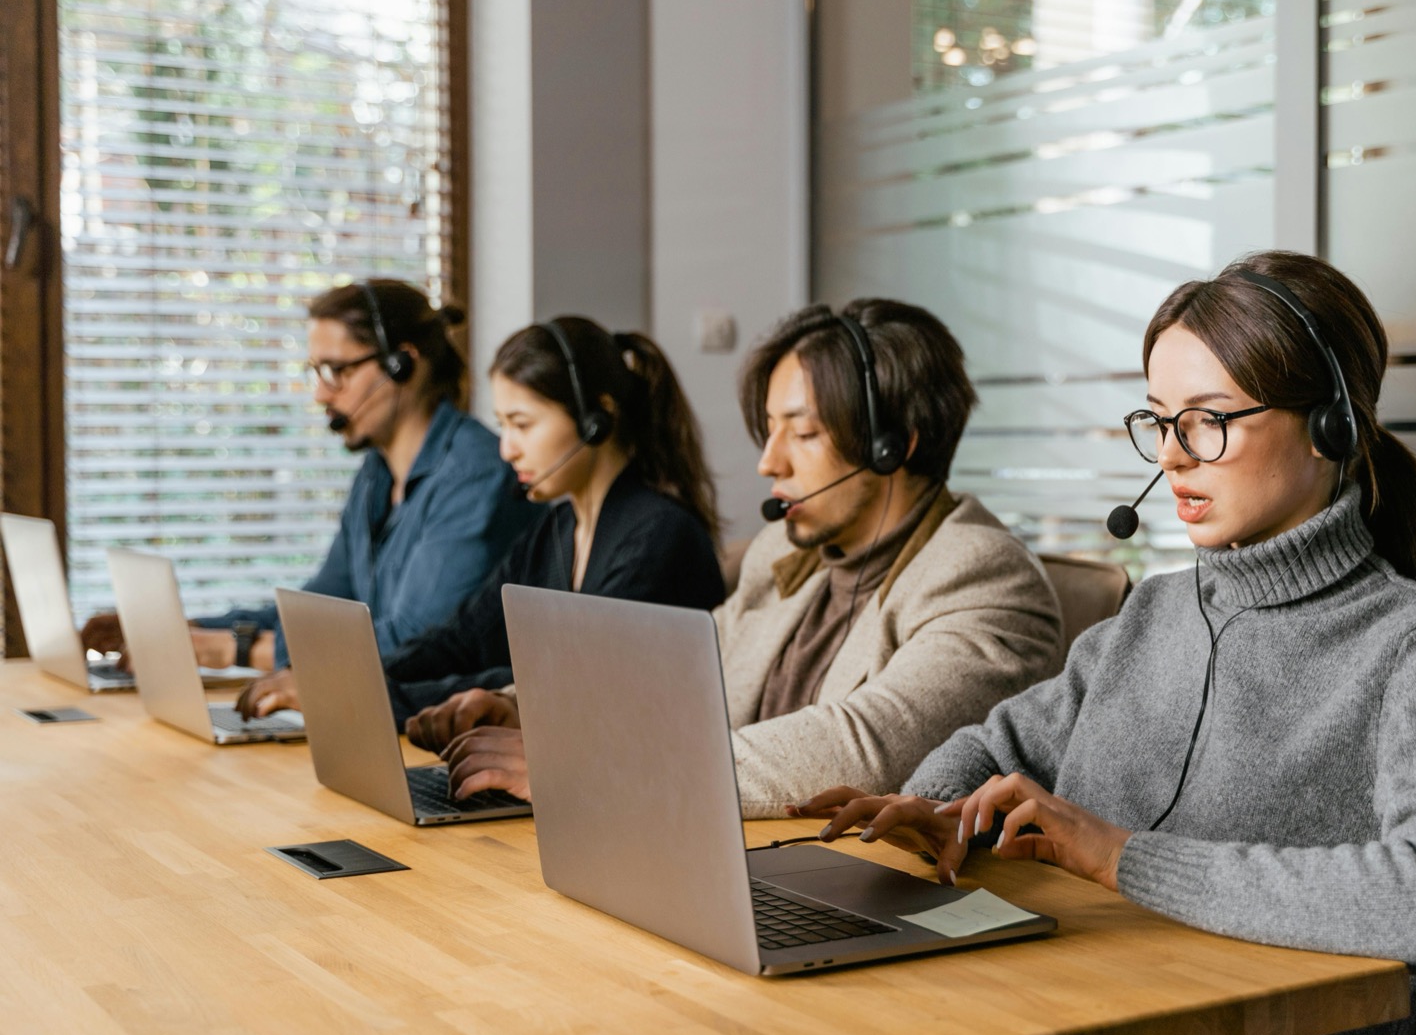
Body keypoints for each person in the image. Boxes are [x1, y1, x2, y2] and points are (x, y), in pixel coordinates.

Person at [794, 252, 1416, 1035]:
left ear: (1328, 427)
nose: (1174, 456)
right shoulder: (1155, 612)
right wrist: (941, 808)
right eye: (1160, 421)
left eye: (1209, 421)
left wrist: (1123, 858)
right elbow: (998, 744)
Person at [410, 299, 1065, 814]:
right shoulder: (791, 554)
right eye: (770, 430)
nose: (768, 462)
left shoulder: (981, 575)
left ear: (894, 445)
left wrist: (590, 768)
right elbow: (671, 668)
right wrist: (523, 706)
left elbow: (868, 748)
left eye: (802, 433)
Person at [80, 279, 537, 716]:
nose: (320, 393)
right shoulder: (375, 476)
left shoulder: (477, 476)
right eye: (316, 371)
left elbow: (411, 642)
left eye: (337, 371)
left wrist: (233, 649)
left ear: (403, 364)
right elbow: (322, 609)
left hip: (434, 726)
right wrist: (192, 628)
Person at [335, 317, 726, 724]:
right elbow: (463, 638)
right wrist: (358, 678)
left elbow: (566, 679)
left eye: (522, 425)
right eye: (503, 425)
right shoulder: (555, 529)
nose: (507, 450)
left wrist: (386, 697)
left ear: (597, 420)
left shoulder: (658, 536)